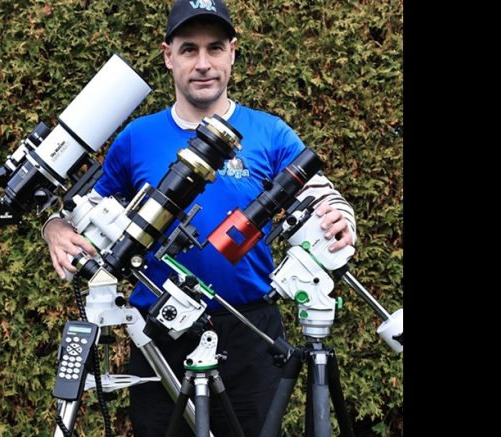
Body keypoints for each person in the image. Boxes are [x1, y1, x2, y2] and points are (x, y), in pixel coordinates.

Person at [42, 1, 356, 435]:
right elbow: (82, 210)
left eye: (215, 48)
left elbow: (323, 197)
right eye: (189, 49)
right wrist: (54, 229)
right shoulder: (136, 138)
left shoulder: (269, 132)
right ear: (168, 56)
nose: (203, 63)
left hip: (249, 331)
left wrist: (340, 219)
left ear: (233, 52)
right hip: (158, 335)